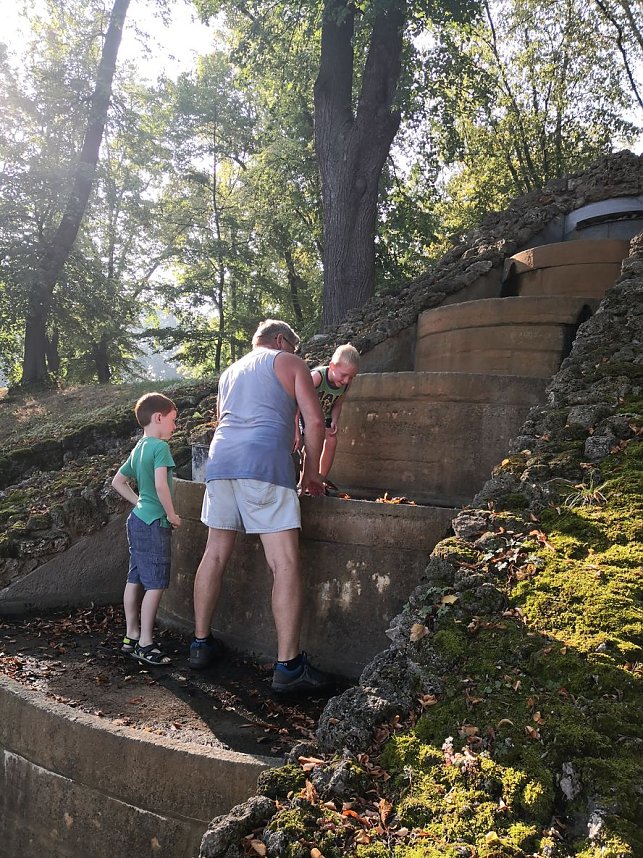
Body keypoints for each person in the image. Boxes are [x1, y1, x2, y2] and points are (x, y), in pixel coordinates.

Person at [189, 319, 329, 694]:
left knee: (214, 555)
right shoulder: (288, 361)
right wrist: (311, 474)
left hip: (219, 464)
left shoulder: (229, 372)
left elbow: (224, 421)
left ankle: (201, 644)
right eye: (292, 347)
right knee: (283, 562)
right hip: (264, 464)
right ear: (282, 341)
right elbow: (315, 421)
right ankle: (288, 667)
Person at [111, 392, 181, 666]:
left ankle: (131, 635)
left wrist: (139, 501)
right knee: (156, 584)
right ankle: (146, 643)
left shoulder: (139, 447)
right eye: (173, 420)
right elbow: (162, 485)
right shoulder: (160, 447)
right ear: (159, 417)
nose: (175, 427)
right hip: (154, 523)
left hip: (137, 519)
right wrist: (172, 515)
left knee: (135, 578)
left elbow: (118, 482)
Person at [300, 343, 360, 480]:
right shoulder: (317, 377)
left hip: (323, 416)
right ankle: (304, 479)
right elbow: (297, 398)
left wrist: (334, 420)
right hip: (307, 414)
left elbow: (338, 404)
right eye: (344, 375)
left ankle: (320, 479)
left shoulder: (345, 385)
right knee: (312, 442)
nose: (346, 380)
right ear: (332, 366)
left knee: (331, 440)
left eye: (351, 377)